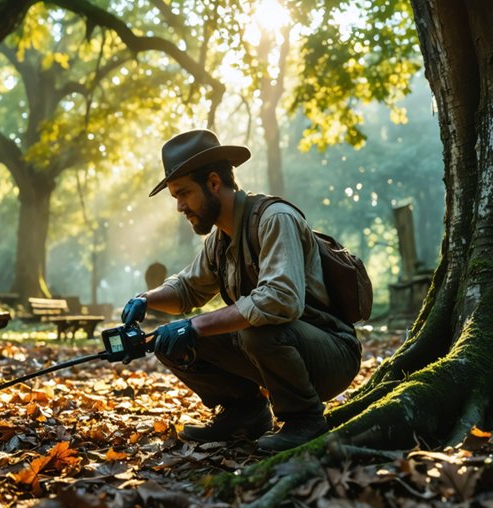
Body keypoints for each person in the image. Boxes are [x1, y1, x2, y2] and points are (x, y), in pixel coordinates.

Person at [124, 129, 361, 451]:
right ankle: (244, 412)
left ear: (213, 182)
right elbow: (186, 290)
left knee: (257, 330)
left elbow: (280, 300)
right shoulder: (219, 241)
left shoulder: (275, 219)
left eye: (183, 193)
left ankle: (306, 419)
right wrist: (144, 299)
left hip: (331, 354)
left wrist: (195, 325)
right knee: (168, 341)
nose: (179, 206)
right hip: (283, 350)